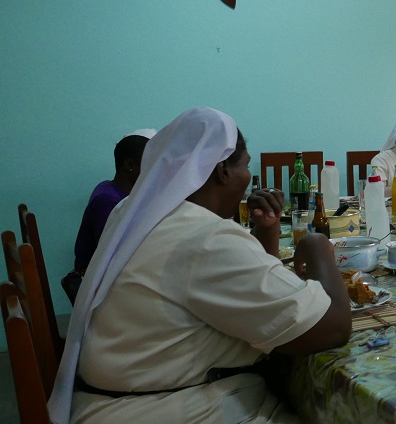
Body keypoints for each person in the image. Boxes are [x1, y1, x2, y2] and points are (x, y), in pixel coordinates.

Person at [48, 107, 352, 424]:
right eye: (246, 167)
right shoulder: (203, 237)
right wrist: (318, 246)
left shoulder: (137, 212)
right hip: (167, 408)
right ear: (222, 170)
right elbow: (331, 328)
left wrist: (267, 233)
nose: (249, 179)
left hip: (125, 397)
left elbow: (240, 289)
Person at [61, 129, 156, 304]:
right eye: (150, 164)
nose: (155, 171)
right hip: (97, 289)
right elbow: (108, 256)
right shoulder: (108, 200)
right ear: (130, 165)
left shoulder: (108, 188)